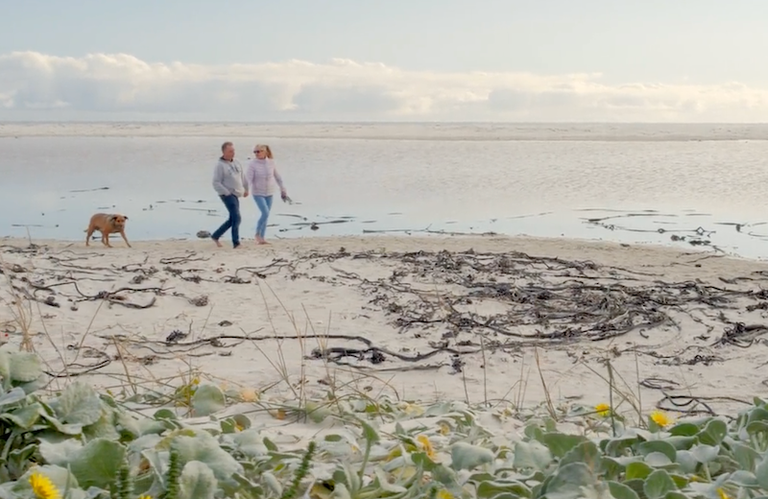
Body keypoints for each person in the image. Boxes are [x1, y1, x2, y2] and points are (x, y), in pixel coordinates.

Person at [245, 144, 287, 244]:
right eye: (255, 152)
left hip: (269, 192)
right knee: (265, 213)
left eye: (259, 151)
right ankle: (257, 233)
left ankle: (262, 238)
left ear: (265, 152)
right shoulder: (252, 164)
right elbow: (248, 179)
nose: (257, 153)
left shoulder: (271, 162)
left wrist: (282, 188)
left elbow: (277, 177)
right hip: (258, 193)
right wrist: (246, 189)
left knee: (266, 215)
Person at [211, 141, 248, 248]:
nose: (233, 153)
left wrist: (246, 189)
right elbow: (216, 182)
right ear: (224, 152)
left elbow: (242, 177)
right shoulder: (220, 165)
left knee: (232, 219)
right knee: (237, 218)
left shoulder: (237, 162)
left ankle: (215, 235)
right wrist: (227, 193)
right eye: (230, 151)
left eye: (233, 151)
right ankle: (236, 243)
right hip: (227, 195)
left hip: (237, 193)